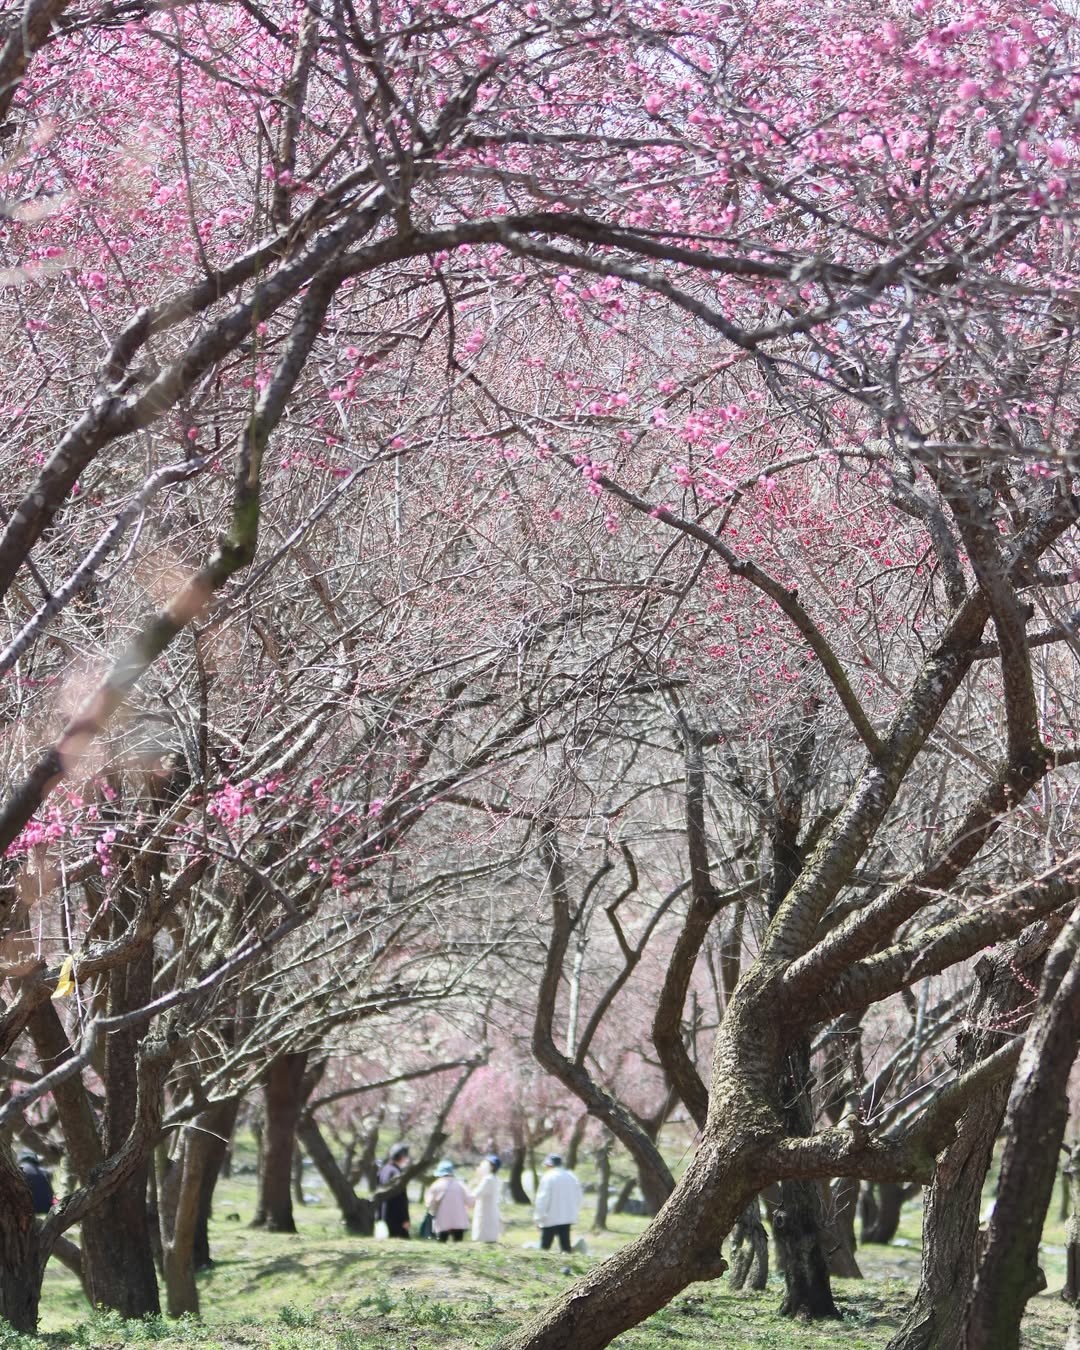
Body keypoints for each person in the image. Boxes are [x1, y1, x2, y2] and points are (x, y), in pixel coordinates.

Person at [533, 1153, 582, 1253]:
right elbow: (579, 1197)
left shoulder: (548, 1177)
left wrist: (538, 1218)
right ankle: (568, 1266)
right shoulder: (571, 1176)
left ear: (550, 1165)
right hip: (566, 1218)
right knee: (566, 1247)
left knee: (544, 1247)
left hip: (550, 1217)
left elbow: (542, 1199)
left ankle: (542, 1266)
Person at [425, 1159, 473, 1243]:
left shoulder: (436, 1185)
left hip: (442, 1222)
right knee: (458, 1246)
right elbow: (471, 1202)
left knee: (441, 1246)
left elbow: (429, 1204)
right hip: (459, 1222)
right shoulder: (461, 1185)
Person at [377, 1143, 411, 1238]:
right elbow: (401, 1198)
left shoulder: (383, 1170)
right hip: (396, 1217)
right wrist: (405, 1219)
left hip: (384, 1214)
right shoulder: (396, 1173)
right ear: (402, 1157)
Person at [471, 1154, 502, 1242]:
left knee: (483, 1231)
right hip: (490, 1210)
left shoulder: (487, 1179)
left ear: (491, 1166)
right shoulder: (494, 1178)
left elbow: (476, 1194)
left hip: (485, 1211)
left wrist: (474, 1183)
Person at [17, 1149, 54, 1215]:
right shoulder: (44, 1172)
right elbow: (50, 1191)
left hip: (28, 1208)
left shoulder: (18, 1170)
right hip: (47, 1207)